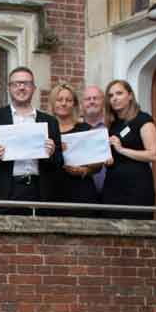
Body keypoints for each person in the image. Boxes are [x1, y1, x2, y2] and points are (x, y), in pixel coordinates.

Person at [0, 66, 62, 211]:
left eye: (26, 83)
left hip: (39, 191)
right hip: (4, 191)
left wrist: (51, 153)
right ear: (9, 88)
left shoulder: (50, 121)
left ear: (33, 88)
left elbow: (59, 162)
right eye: (16, 84)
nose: (21, 88)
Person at [103, 78, 156, 217]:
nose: (114, 98)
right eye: (111, 96)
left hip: (136, 187)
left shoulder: (143, 119)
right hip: (113, 186)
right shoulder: (112, 124)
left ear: (130, 96)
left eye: (119, 93)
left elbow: (154, 155)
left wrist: (122, 150)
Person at [51, 83, 102, 215]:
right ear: (53, 103)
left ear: (74, 104)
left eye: (68, 100)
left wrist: (84, 170)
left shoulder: (85, 129)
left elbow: (98, 164)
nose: (64, 103)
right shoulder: (45, 129)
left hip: (81, 190)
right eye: (59, 100)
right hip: (53, 192)